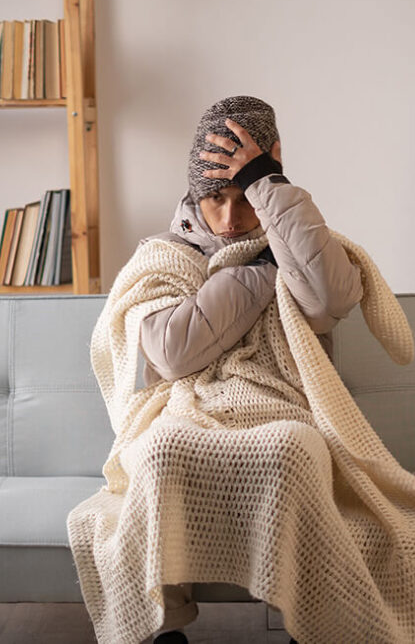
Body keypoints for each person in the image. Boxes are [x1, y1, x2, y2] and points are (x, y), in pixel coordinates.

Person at [138, 96, 363, 644]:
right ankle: (164, 631)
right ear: (195, 193)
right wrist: (263, 273)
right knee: (159, 449)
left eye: (245, 198)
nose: (231, 220)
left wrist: (267, 184)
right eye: (215, 197)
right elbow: (171, 353)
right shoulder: (164, 253)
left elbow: (332, 299)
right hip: (189, 409)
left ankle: (309, 628)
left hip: (283, 406)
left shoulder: (301, 242)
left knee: (294, 446)